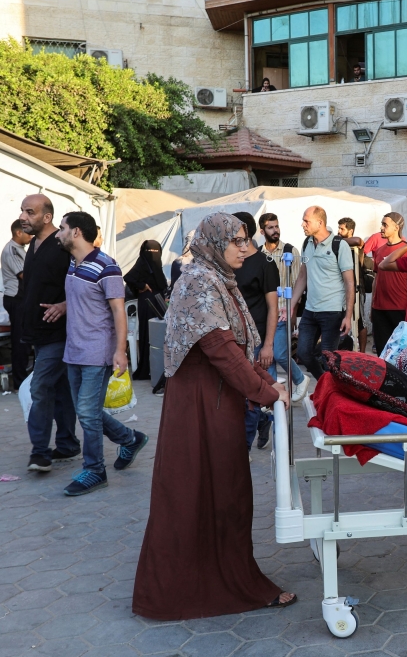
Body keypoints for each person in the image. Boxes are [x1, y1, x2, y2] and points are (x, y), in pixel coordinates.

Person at [133, 212, 294, 620]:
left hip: (217, 402)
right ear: (215, 242)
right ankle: (188, 591)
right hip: (200, 406)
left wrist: (266, 386)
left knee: (226, 493)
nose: (245, 248)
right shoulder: (200, 280)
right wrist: (266, 392)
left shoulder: (219, 278)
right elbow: (221, 350)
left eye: (247, 240)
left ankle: (227, 579)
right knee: (197, 494)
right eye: (237, 240)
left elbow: (237, 349)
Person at [55, 212, 148, 496]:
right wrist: (62, 306)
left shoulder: (107, 266)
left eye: (62, 228)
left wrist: (120, 351)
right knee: (88, 412)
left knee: (86, 412)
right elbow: (82, 299)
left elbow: (119, 309)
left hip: (97, 351)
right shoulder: (73, 263)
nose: (58, 233)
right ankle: (130, 439)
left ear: (76, 233)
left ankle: (95, 470)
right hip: (74, 350)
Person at [18, 194, 80, 473]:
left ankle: (39, 453)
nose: (23, 217)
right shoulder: (33, 244)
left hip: (59, 333)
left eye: (29, 212)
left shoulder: (63, 243)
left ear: (46, 217)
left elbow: (88, 278)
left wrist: (66, 305)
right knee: (60, 389)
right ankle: (67, 444)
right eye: (22, 211)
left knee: (40, 388)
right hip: (37, 331)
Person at [289, 206, 355, 379]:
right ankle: (323, 384)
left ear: (320, 222)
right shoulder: (307, 243)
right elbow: (302, 276)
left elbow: (350, 282)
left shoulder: (339, 245)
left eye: (306, 221)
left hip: (332, 312)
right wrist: (292, 305)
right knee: (302, 353)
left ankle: (331, 394)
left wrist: (348, 316)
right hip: (310, 311)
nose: (303, 224)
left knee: (329, 359)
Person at [232, 212, 279, 450]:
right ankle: (261, 422)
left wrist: (269, 344)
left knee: (254, 392)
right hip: (233, 338)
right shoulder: (230, 261)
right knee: (243, 394)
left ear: (246, 233)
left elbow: (273, 307)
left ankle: (244, 449)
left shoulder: (265, 264)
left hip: (258, 338)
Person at [258, 213, 308, 401]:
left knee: (279, 353)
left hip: (283, 312)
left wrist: (293, 312)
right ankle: (273, 394)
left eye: (277, 226)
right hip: (264, 313)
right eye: (271, 227)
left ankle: (300, 378)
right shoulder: (258, 253)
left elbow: (297, 284)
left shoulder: (290, 250)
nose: (275, 230)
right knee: (266, 357)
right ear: (262, 231)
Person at [124, 240, 168, 380]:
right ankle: (147, 369)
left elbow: (161, 284)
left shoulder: (157, 267)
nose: (153, 255)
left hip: (158, 302)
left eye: (156, 252)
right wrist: (141, 285)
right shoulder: (142, 265)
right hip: (147, 303)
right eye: (150, 252)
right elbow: (128, 277)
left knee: (160, 335)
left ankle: (160, 368)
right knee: (147, 335)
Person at [371, 213, 407, 354]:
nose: (381, 228)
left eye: (385, 225)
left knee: (400, 351)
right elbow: (376, 279)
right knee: (382, 351)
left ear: (396, 227)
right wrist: (373, 305)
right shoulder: (379, 251)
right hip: (379, 308)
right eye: (382, 224)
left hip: (399, 307)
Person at [1, 219, 33, 390]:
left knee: (26, 341)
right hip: (16, 299)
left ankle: (25, 378)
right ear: (18, 232)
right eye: (28, 232)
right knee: (20, 342)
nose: (31, 235)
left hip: (22, 299)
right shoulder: (11, 250)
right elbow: (24, 276)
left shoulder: (20, 249)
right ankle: (19, 382)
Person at [337, 217, 366, 351]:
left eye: (342, 229)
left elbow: (358, 241)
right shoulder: (339, 244)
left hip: (357, 288)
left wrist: (336, 240)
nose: (339, 231)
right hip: (343, 288)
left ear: (351, 230)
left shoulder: (351, 243)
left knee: (359, 321)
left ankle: (363, 353)